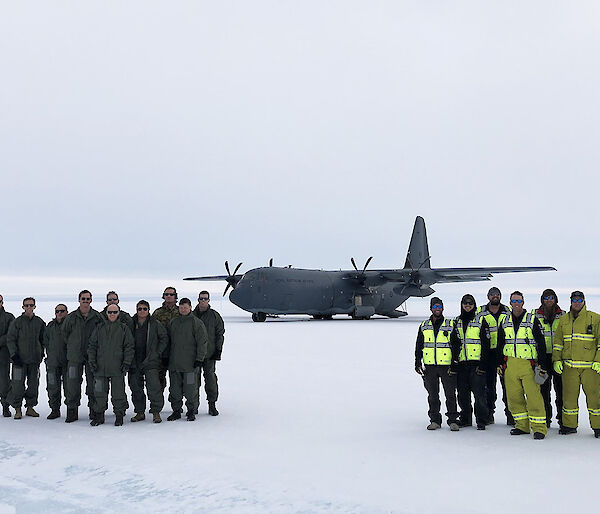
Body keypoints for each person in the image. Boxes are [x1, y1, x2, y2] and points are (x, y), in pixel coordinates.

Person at [497, 291, 548, 439]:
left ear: (523, 302)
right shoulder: (505, 320)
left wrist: (543, 364)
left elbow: (541, 343)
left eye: (519, 301)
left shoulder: (532, 319)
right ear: (510, 303)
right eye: (514, 301)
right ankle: (521, 426)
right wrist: (499, 362)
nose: (517, 303)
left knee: (534, 397)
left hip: (529, 365)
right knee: (514, 397)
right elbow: (500, 343)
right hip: (510, 364)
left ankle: (539, 428)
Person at [552, 291, 600, 437]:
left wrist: (598, 361)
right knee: (569, 399)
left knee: (594, 398)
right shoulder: (564, 319)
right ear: (571, 301)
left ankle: (598, 427)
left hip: (590, 368)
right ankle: (569, 426)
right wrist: (556, 360)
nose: (577, 302)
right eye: (574, 300)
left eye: (580, 300)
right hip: (569, 368)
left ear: (584, 301)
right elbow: (558, 343)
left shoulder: (595, 318)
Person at [414, 297, 459, 431]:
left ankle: (452, 420)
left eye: (439, 307)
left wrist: (455, 362)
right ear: (431, 308)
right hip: (430, 366)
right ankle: (435, 420)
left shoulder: (450, 324)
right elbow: (419, 345)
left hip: (446, 365)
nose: (437, 309)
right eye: (435, 307)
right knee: (433, 395)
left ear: (443, 308)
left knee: (450, 394)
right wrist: (417, 361)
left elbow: (456, 345)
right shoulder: (424, 325)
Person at [62, 290, 105, 423]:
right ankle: (72, 410)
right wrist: (72, 346)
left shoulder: (97, 317)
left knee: (93, 384)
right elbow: (65, 334)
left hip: (92, 357)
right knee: (72, 384)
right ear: (79, 300)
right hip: (75, 357)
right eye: (83, 299)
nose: (85, 301)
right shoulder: (71, 317)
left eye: (88, 299)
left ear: (91, 300)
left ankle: (94, 409)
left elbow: (103, 335)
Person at [88, 304, 134, 426]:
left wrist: (126, 363)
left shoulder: (123, 328)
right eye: (110, 312)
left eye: (114, 312)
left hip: (117, 367)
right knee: (99, 393)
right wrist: (92, 361)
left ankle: (119, 415)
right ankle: (99, 416)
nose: (112, 314)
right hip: (100, 367)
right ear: (106, 313)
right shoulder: (99, 328)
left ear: (118, 313)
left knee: (118, 393)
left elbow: (129, 347)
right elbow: (92, 346)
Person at [451, 294, 490, 430]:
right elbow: (453, 343)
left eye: (470, 304)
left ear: (474, 305)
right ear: (462, 305)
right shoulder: (456, 321)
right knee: (462, 394)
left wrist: (483, 364)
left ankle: (481, 420)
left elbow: (486, 343)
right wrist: (454, 362)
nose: (468, 306)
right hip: (462, 364)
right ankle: (465, 419)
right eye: (465, 304)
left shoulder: (480, 320)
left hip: (476, 364)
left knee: (479, 394)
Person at [167, 298, 208, 421]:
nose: (183, 309)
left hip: (190, 366)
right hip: (175, 364)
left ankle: (191, 410)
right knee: (175, 389)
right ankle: (176, 410)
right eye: (181, 307)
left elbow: (202, 342)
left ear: (190, 308)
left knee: (190, 389)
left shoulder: (197, 323)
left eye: (185, 307)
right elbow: (168, 341)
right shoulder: (174, 322)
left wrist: (199, 359)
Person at [128, 300, 169, 423]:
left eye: (144, 309)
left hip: (151, 361)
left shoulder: (155, 324)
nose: (142, 311)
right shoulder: (131, 323)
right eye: (139, 309)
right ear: (136, 310)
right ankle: (140, 412)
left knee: (154, 388)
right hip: (134, 361)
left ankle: (156, 412)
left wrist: (157, 352)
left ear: (148, 310)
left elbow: (164, 338)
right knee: (136, 388)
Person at [476, 287, 511, 425]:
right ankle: (489, 414)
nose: (494, 296)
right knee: (488, 387)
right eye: (492, 295)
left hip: (504, 353)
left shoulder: (507, 311)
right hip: (487, 354)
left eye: (497, 294)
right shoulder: (480, 311)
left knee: (508, 387)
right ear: (488, 296)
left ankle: (511, 415)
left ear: (500, 296)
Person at [6, 297, 45, 419]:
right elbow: (10, 339)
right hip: (19, 361)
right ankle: (17, 409)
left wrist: (41, 352)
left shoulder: (39, 322)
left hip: (34, 361)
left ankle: (30, 407)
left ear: (35, 306)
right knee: (17, 386)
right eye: (26, 305)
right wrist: (14, 354)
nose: (29, 307)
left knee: (33, 385)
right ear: (23, 307)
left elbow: (43, 339)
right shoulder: (17, 322)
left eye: (31, 305)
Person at [532, 289, 564, 428]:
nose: (549, 300)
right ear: (542, 300)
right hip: (542, 359)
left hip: (558, 359)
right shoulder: (534, 315)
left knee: (561, 391)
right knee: (543, 391)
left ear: (555, 299)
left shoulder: (563, 316)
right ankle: (545, 419)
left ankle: (563, 420)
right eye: (546, 298)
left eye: (551, 297)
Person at [192, 291, 225, 416]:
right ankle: (193, 405)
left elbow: (220, 334)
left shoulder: (215, 316)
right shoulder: (191, 315)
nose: (203, 300)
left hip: (209, 355)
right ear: (198, 300)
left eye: (206, 298)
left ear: (209, 300)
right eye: (201, 298)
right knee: (192, 380)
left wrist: (218, 350)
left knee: (210, 379)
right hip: (193, 355)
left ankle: (212, 404)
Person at [43, 304, 69, 419]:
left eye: (62, 311)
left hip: (67, 362)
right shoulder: (50, 326)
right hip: (53, 362)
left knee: (70, 388)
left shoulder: (69, 325)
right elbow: (45, 341)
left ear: (66, 312)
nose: (59, 313)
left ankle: (71, 410)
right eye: (57, 311)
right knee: (52, 386)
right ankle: (54, 409)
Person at [153, 287, 180, 390]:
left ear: (175, 296)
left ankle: (176, 404)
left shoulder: (181, 311)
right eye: (166, 294)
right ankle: (158, 404)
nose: (168, 296)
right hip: (161, 352)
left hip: (177, 351)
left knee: (177, 381)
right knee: (159, 381)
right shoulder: (157, 313)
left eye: (171, 294)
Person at [0, 294, 15, 418]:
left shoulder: (9, 317)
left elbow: (10, 334)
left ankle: (5, 405)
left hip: (3, 353)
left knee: (4, 381)